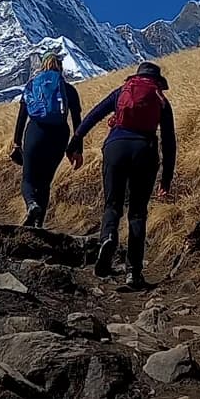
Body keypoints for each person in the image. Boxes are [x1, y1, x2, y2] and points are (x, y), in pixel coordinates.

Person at [67, 61, 176, 290]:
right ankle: (133, 273)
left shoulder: (121, 93)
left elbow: (94, 115)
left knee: (112, 205)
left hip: (115, 147)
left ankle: (107, 238)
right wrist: (166, 180)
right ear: (158, 82)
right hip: (144, 151)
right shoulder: (160, 101)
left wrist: (76, 141)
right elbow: (169, 143)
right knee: (137, 212)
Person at [12, 52, 82, 228]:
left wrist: (16, 143)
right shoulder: (69, 89)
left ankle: (31, 205)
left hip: (36, 132)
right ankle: (38, 226)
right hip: (59, 136)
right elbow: (77, 121)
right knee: (45, 182)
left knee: (28, 179)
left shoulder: (32, 85)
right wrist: (76, 148)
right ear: (61, 67)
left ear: (42, 66)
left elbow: (22, 117)